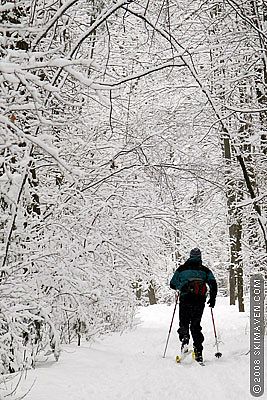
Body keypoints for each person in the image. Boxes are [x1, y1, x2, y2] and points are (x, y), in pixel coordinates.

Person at [170, 248, 217, 363]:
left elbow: (172, 284)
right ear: (200, 257)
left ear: (190, 256)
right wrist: (212, 298)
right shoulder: (205, 270)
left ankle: (185, 341)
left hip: (185, 299)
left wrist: (181, 286)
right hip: (199, 300)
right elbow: (213, 283)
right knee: (196, 325)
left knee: (184, 322)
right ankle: (198, 352)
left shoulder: (182, 269)